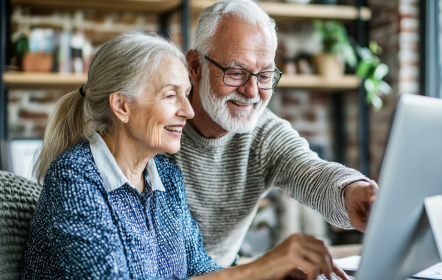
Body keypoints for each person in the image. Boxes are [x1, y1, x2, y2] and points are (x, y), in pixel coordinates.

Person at [22, 32, 349, 280]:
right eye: (170, 95)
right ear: (121, 105)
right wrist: (259, 267)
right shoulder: (75, 177)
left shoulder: (165, 176)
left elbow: (201, 270)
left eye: (186, 94)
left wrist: (272, 275)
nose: (188, 110)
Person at [164, 0, 379, 268]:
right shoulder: (157, 127)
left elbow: (311, 171)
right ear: (195, 67)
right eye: (235, 72)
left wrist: (351, 191)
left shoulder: (265, 133)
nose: (252, 92)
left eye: (264, 75)